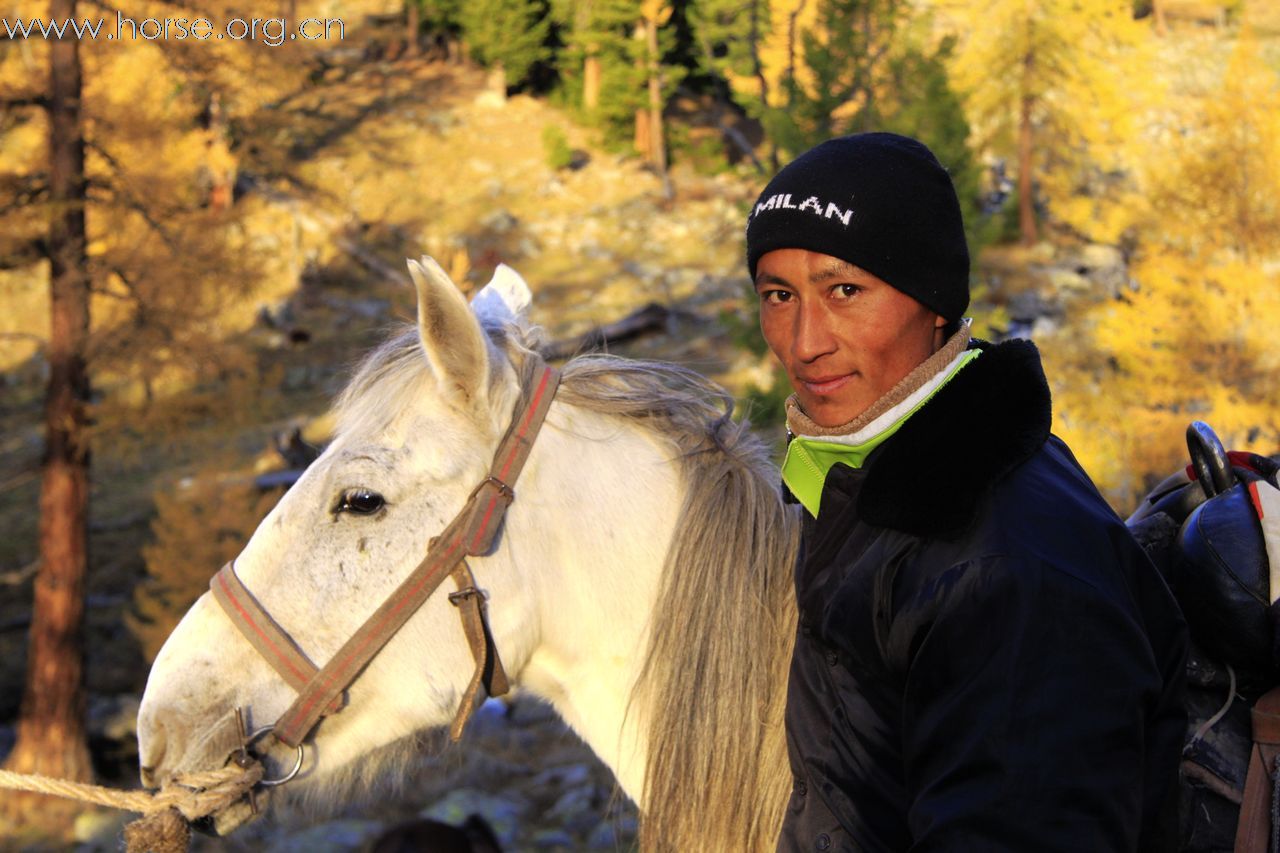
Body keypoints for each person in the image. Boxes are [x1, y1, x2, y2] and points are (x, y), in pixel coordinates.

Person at [745, 132, 1188, 852]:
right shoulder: (869, 482)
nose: (803, 342)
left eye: (845, 290)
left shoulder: (1006, 572)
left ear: (935, 302)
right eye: (778, 295)